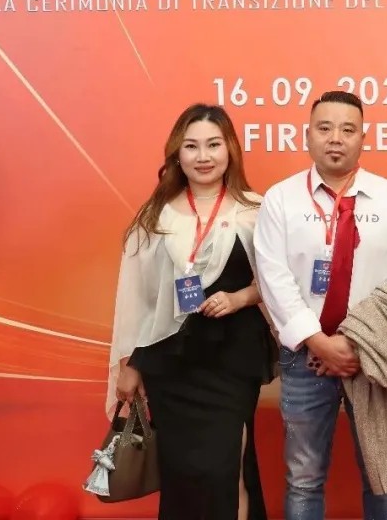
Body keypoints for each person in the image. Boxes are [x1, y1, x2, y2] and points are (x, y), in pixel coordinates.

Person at [253, 90, 387, 520]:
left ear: (363, 137)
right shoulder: (280, 199)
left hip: (373, 355)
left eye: (348, 130)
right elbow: (274, 279)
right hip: (304, 359)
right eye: (324, 128)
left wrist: (355, 344)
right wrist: (319, 342)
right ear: (307, 135)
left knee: (382, 475)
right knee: (304, 478)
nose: (335, 138)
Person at [108, 103, 275, 520]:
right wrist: (129, 364)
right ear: (176, 155)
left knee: (228, 468)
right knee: (182, 474)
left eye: (213, 145)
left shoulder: (256, 209)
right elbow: (136, 299)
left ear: (230, 149)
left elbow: (281, 284)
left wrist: (240, 298)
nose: (203, 156)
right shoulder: (155, 216)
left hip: (232, 360)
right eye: (192, 146)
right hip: (170, 365)